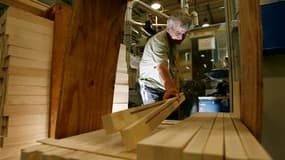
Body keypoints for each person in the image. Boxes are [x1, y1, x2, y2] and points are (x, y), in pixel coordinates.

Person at [138, 11, 192, 105]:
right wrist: (171, 88)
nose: (181, 38)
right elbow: (161, 67)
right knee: (153, 117)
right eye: (178, 33)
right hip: (151, 87)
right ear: (168, 28)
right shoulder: (158, 41)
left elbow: (171, 67)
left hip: (164, 87)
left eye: (184, 34)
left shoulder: (174, 42)